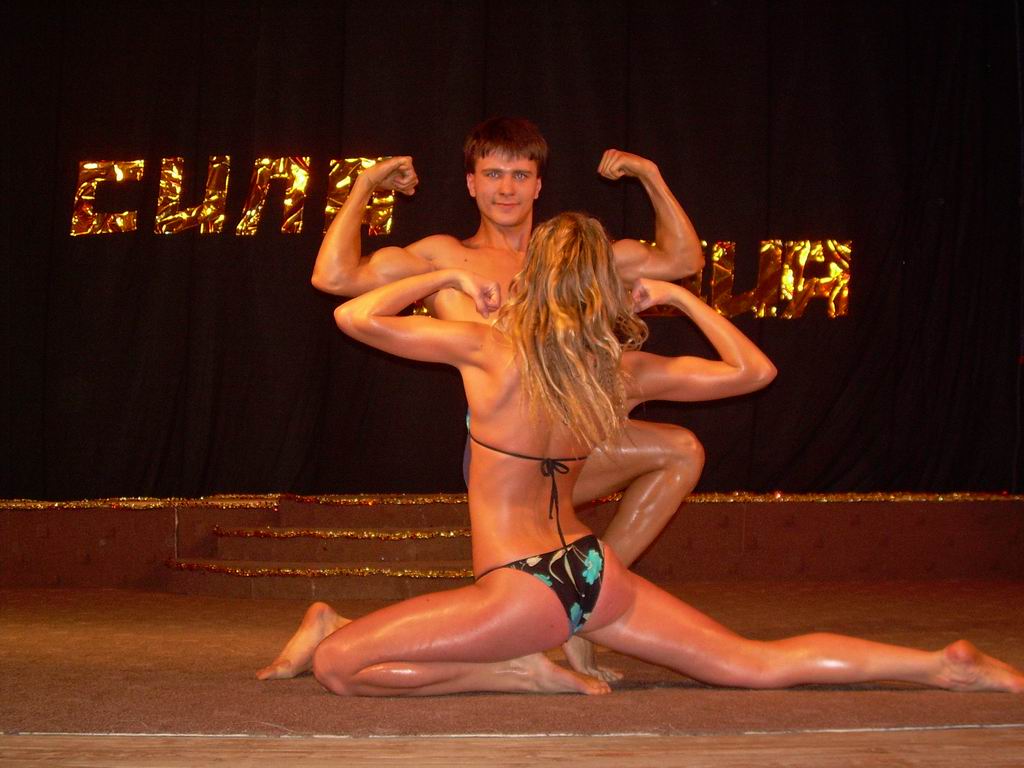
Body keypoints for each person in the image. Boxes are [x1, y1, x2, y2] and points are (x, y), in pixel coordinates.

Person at [258, 212, 1024, 697]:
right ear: (601, 283)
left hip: (519, 592)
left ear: (533, 277)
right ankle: (938, 664)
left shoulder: (490, 351)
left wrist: (446, 274)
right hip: (595, 574)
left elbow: (356, 315)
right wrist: (684, 299)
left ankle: (512, 670)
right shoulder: (620, 370)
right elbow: (755, 373)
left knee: (340, 668)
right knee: (753, 663)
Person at [312, 118, 709, 679]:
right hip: (507, 458)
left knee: (681, 449)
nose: (506, 188)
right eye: (493, 174)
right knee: (511, 587)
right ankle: (572, 616)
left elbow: (684, 261)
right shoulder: (445, 256)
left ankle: (585, 605)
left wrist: (650, 176)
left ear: (539, 184)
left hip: (572, 443)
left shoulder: (568, 255)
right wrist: (364, 187)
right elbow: (334, 278)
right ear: (471, 183)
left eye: (520, 175)